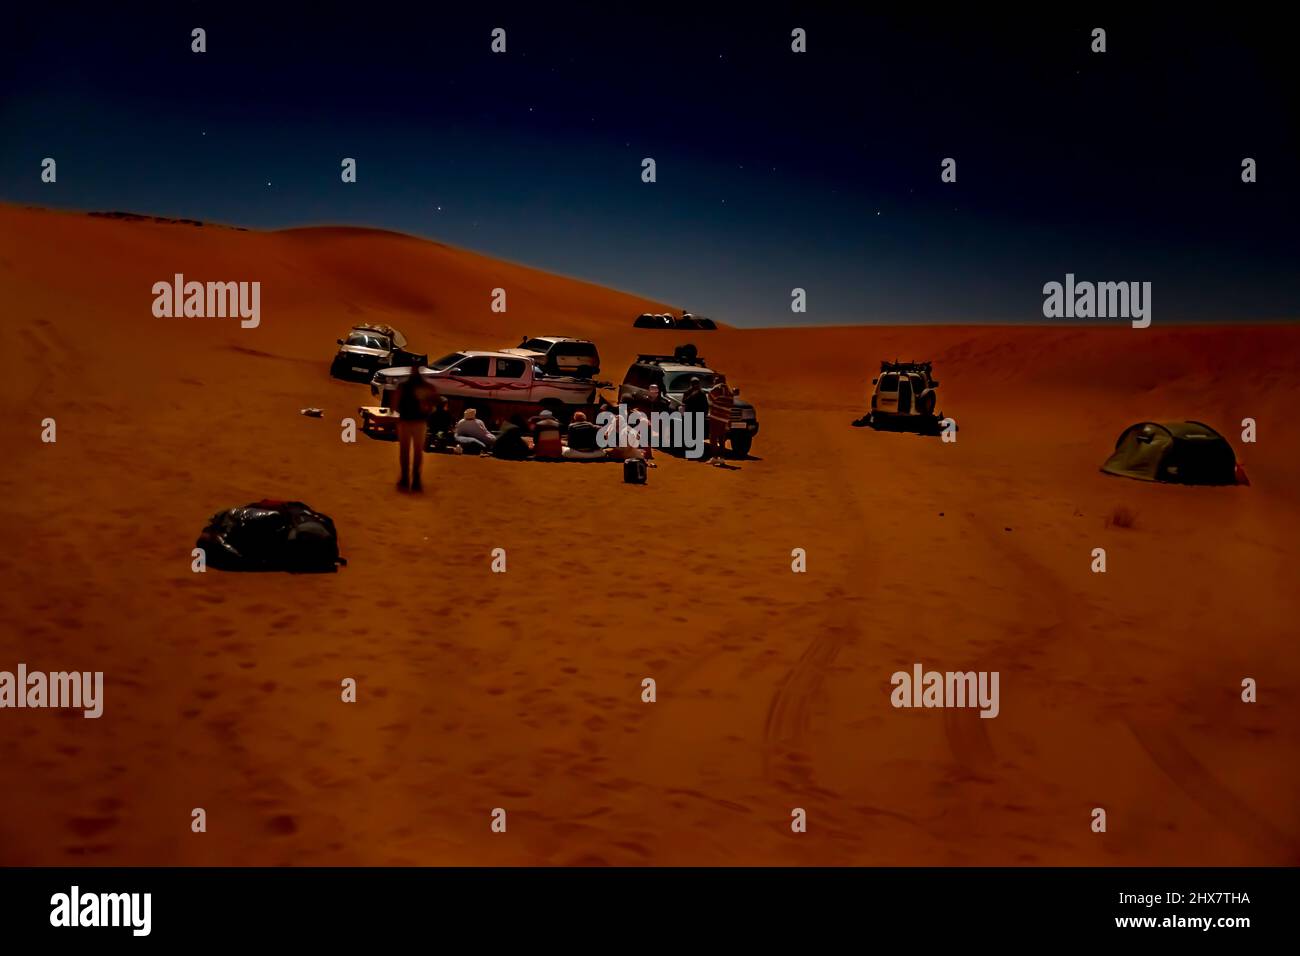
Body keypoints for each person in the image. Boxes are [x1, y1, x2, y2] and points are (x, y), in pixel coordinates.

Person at [395, 366, 436, 491]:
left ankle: (405, 479)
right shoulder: (426, 386)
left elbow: (395, 404)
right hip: (418, 422)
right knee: (417, 452)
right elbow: (432, 403)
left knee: (405, 451)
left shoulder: (403, 386)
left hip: (406, 422)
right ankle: (415, 480)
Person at [681, 376, 710, 460]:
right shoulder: (687, 392)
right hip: (690, 416)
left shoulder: (702, 393)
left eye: (696, 383)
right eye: (694, 383)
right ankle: (689, 452)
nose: (695, 385)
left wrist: (704, 414)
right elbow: (684, 401)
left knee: (698, 435)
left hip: (699, 416)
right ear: (691, 384)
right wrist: (692, 395)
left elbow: (705, 405)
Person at [707, 376, 734, 465]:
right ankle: (721, 458)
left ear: (718, 380)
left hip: (716, 417)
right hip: (724, 418)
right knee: (721, 438)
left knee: (713, 437)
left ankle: (714, 457)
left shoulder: (718, 388)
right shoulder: (729, 392)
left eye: (715, 379)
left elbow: (710, 398)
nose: (714, 381)